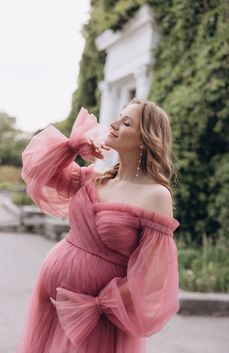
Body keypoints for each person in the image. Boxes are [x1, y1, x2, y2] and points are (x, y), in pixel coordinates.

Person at [15, 97, 181, 353]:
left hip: (92, 315)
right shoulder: (94, 178)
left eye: (126, 122)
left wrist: (96, 305)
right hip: (51, 297)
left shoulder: (156, 195)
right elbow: (36, 170)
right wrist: (71, 148)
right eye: (118, 117)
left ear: (145, 139)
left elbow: (152, 273)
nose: (113, 124)